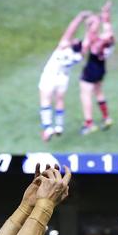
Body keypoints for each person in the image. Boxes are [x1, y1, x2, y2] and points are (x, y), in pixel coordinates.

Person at [39, 11, 89, 141]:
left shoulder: (62, 48)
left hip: (50, 76)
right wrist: (89, 27)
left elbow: (70, 30)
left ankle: (48, 128)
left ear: (72, 45)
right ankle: (59, 126)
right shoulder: (78, 56)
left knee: (45, 100)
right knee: (60, 100)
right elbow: (87, 43)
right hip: (63, 78)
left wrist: (80, 18)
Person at [79, 2, 114, 135]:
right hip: (101, 69)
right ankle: (106, 117)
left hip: (91, 69)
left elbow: (87, 44)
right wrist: (105, 13)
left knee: (85, 94)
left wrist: (90, 25)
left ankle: (89, 123)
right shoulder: (109, 43)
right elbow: (108, 27)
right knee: (98, 92)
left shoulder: (96, 45)